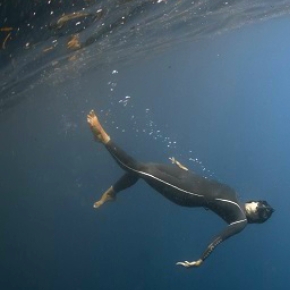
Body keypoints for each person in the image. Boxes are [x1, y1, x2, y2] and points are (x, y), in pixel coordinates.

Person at [86, 110, 273, 268]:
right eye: (259, 204)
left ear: (255, 219)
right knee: (144, 167)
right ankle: (113, 192)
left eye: (260, 212)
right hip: (186, 177)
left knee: (138, 169)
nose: (257, 207)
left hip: (185, 193)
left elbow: (219, 238)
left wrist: (201, 259)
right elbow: (209, 183)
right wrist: (186, 170)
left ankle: (104, 138)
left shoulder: (240, 221)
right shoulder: (236, 195)